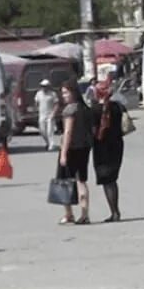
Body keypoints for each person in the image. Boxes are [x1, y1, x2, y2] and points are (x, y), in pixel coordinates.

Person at [58, 79, 94, 225]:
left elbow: (68, 132)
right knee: (81, 181)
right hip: (84, 148)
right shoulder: (85, 109)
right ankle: (85, 214)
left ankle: (68, 214)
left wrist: (63, 153)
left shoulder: (70, 110)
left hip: (71, 149)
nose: (63, 96)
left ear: (73, 92)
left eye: (66, 93)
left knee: (64, 182)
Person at [92, 81, 125, 222]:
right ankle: (116, 211)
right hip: (117, 145)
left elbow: (93, 131)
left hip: (101, 147)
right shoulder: (118, 106)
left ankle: (114, 212)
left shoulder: (95, 109)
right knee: (113, 179)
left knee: (107, 181)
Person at [34, 79, 59, 151]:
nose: (44, 87)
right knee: (42, 131)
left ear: (48, 86)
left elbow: (56, 104)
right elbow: (36, 102)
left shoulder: (53, 94)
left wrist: (53, 113)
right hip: (42, 115)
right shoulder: (38, 94)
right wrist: (36, 109)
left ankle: (52, 145)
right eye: (42, 86)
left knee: (49, 131)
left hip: (50, 115)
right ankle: (48, 143)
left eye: (45, 86)